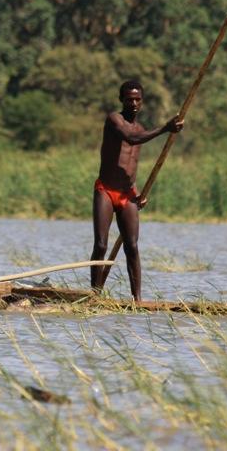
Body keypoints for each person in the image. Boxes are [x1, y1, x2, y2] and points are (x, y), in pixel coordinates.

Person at [91, 80, 183, 300]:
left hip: (127, 194)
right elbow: (131, 139)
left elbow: (130, 166)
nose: (133, 103)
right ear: (121, 99)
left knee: (131, 246)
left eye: (137, 99)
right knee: (101, 244)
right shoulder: (114, 120)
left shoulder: (141, 129)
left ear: (142, 102)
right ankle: (94, 295)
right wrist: (165, 128)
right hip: (106, 190)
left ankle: (137, 300)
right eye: (129, 99)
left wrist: (137, 192)